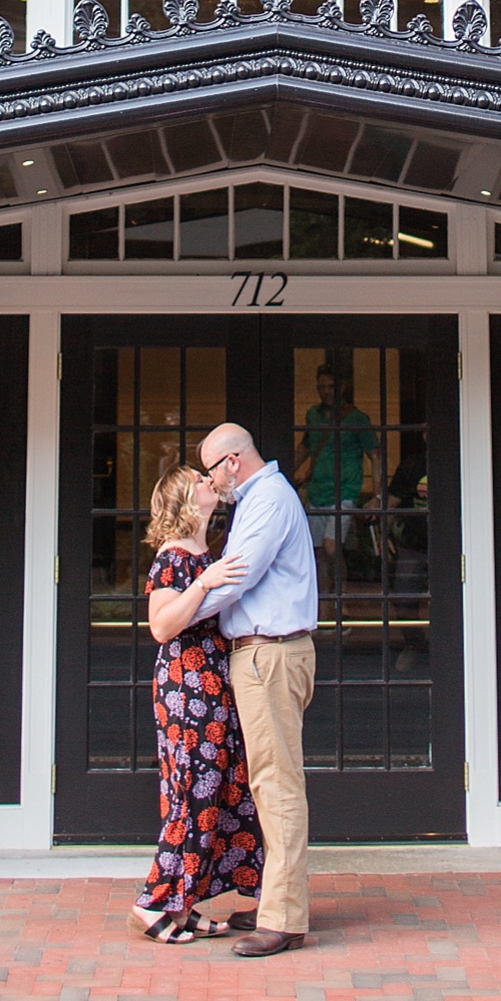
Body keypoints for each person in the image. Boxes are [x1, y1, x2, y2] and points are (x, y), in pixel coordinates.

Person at [194, 420, 319, 957]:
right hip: (266, 653)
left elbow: (237, 574)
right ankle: (276, 901)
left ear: (231, 462)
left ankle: (284, 918)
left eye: (209, 471)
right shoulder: (261, 498)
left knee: (276, 782)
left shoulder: (266, 499)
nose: (210, 482)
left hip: (269, 653)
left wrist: (176, 614)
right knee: (268, 780)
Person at [131, 465, 262, 947]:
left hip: (210, 683)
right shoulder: (173, 558)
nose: (211, 483)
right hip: (187, 687)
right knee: (192, 792)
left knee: (216, 790)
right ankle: (152, 903)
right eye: (200, 482)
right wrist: (204, 584)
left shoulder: (204, 552)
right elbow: (162, 626)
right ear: (186, 502)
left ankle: (183, 905)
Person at [294, 362, 382, 587]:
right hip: (317, 492)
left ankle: (343, 601)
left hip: (344, 491)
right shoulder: (313, 415)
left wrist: (377, 496)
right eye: (321, 386)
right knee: (317, 553)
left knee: (332, 546)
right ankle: (324, 607)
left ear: (342, 387)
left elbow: (375, 455)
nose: (325, 391)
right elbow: (305, 448)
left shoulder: (357, 418)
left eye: (331, 386)